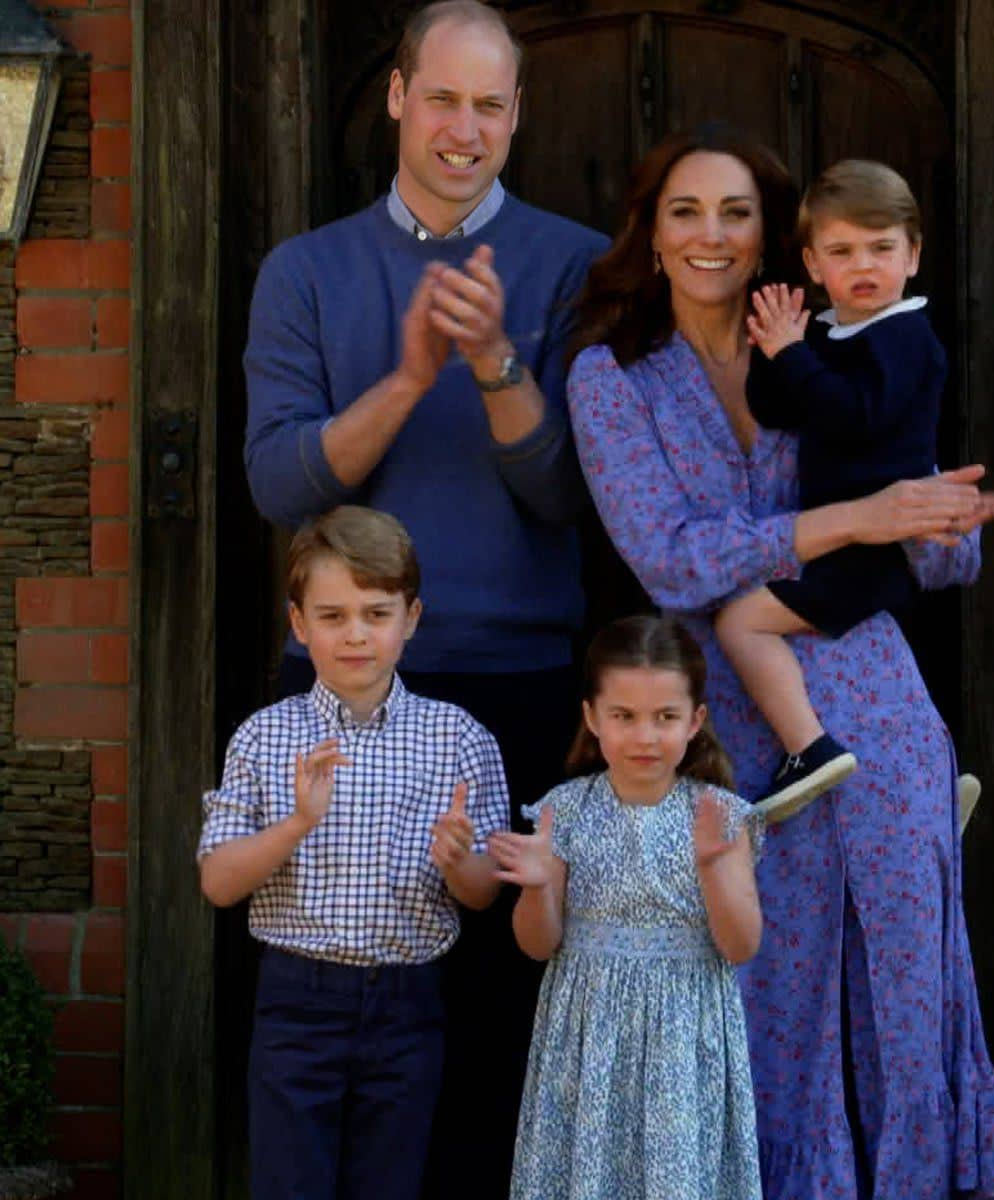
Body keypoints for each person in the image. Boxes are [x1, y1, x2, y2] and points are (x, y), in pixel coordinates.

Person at [567, 125, 994, 1199]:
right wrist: (856, 516)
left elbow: (941, 555)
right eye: (686, 212)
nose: (711, 235)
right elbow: (673, 564)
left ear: (778, 239)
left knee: (907, 992)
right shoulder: (612, 376)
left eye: (736, 213)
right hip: (729, 734)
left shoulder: (841, 339)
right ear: (653, 233)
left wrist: (940, 521)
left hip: (878, 706)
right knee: (759, 993)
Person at [241, 3, 607, 1192]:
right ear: (396, 97)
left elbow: (567, 497)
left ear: (517, 116)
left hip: (517, 678)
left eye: (488, 105)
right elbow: (278, 478)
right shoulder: (307, 270)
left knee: (502, 996)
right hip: (347, 685)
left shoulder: (577, 265)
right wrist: (407, 376)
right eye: (441, 99)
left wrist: (497, 361)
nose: (463, 128)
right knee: (353, 994)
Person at [196, 506, 509, 1200]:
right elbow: (218, 883)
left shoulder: (457, 738)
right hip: (296, 1002)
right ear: (299, 624)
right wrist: (296, 824)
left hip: (408, 1004)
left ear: (412, 618)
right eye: (333, 616)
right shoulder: (264, 737)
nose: (356, 635)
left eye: (376, 613)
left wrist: (460, 859)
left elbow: (483, 893)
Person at [489, 616, 763, 1200]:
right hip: (589, 1037)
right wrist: (538, 886)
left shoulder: (719, 815)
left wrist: (714, 866)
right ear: (592, 717)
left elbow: (741, 945)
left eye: (665, 718)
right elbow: (538, 945)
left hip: (683, 1038)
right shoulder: (564, 809)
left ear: (695, 722)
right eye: (624, 716)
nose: (645, 737)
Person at [713, 159, 946, 823]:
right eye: (842, 252)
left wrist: (795, 353)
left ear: (914, 255)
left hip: (873, 550)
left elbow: (853, 415)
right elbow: (779, 407)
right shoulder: (832, 332)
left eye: (881, 248)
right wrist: (775, 346)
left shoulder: (906, 337)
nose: (863, 266)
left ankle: (808, 750)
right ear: (814, 265)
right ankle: (920, 789)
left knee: (740, 621)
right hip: (841, 540)